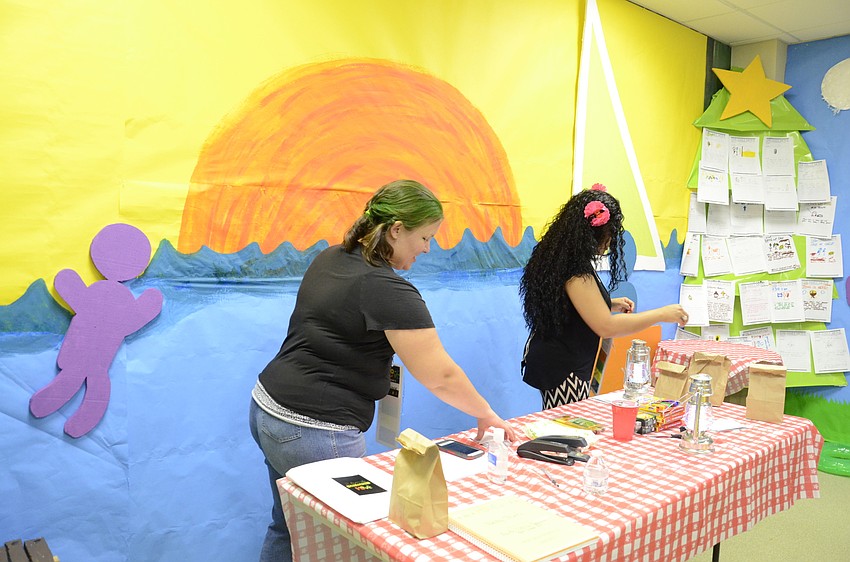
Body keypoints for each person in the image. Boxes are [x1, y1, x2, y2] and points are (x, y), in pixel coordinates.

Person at [249, 179, 518, 562]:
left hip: (267, 407)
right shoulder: (386, 288)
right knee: (343, 544)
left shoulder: (332, 257)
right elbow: (439, 375)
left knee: (288, 525)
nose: (427, 249)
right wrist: (485, 414)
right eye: (424, 238)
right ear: (395, 230)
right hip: (315, 429)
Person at [519, 184, 688, 409]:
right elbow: (606, 326)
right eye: (608, 236)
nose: (608, 243)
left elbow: (571, 304)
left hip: (554, 356)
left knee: (565, 424)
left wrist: (609, 302)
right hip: (563, 368)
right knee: (566, 429)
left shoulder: (558, 257)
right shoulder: (575, 272)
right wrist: (661, 314)